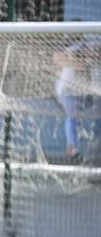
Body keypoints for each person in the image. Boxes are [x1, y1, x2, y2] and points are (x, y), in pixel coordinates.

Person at [54, 32, 101, 162]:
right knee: (72, 116)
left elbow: (94, 54)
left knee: (76, 116)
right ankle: (72, 149)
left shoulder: (88, 46)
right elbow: (58, 58)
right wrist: (75, 59)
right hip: (67, 91)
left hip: (84, 92)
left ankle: (73, 147)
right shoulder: (70, 50)